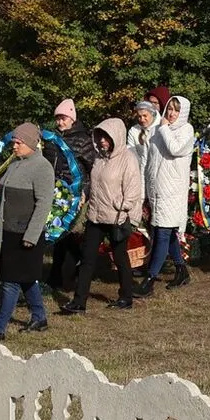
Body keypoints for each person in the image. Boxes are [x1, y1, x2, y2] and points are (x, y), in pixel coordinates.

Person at [61, 117, 143, 314]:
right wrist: (85, 194)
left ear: (117, 137)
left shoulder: (128, 159)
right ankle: (79, 302)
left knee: (120, 258)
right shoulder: (99, 158)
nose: (103, 141)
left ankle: (126, 297)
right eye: (100, 137)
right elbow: (94, 181)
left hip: (116, 217)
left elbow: (133, 189)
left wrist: (122, 208)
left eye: (107, 137)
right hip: (96, 216)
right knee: (87, 259)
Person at [0, 123, 54, 339]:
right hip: (10, 232)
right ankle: (39, 316)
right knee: (24, 278)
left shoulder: (42, 168)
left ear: (31, 143)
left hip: (26, 235)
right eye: (13, 142)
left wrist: (31, 237)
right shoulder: (15, 164)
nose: (13, 146)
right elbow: (3, 198)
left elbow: (44, 204)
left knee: (10, 281)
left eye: (18, 142)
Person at [140, 95, 195, 292]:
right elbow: (150, 160)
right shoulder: (157, 130)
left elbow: (175, 149)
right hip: (157, 190)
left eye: (176, 110)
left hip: (172, 192)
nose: (171, 113)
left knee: (162, 233)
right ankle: (181, 270)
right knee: (168, 232)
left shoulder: (186, 130)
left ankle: (150, 279)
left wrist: (163, 128)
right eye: (170, 109)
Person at [49, 99, 96, 292]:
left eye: (64, 118)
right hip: (55, 192)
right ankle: (59, 273)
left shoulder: (83, 140)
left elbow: (92, 168)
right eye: (58, 118)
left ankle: (63, 276)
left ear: (72, 118)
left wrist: (85, 191)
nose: (60, 122)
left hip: (75, 193)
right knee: (59, 234)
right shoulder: (52, 139)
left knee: (65, 232)